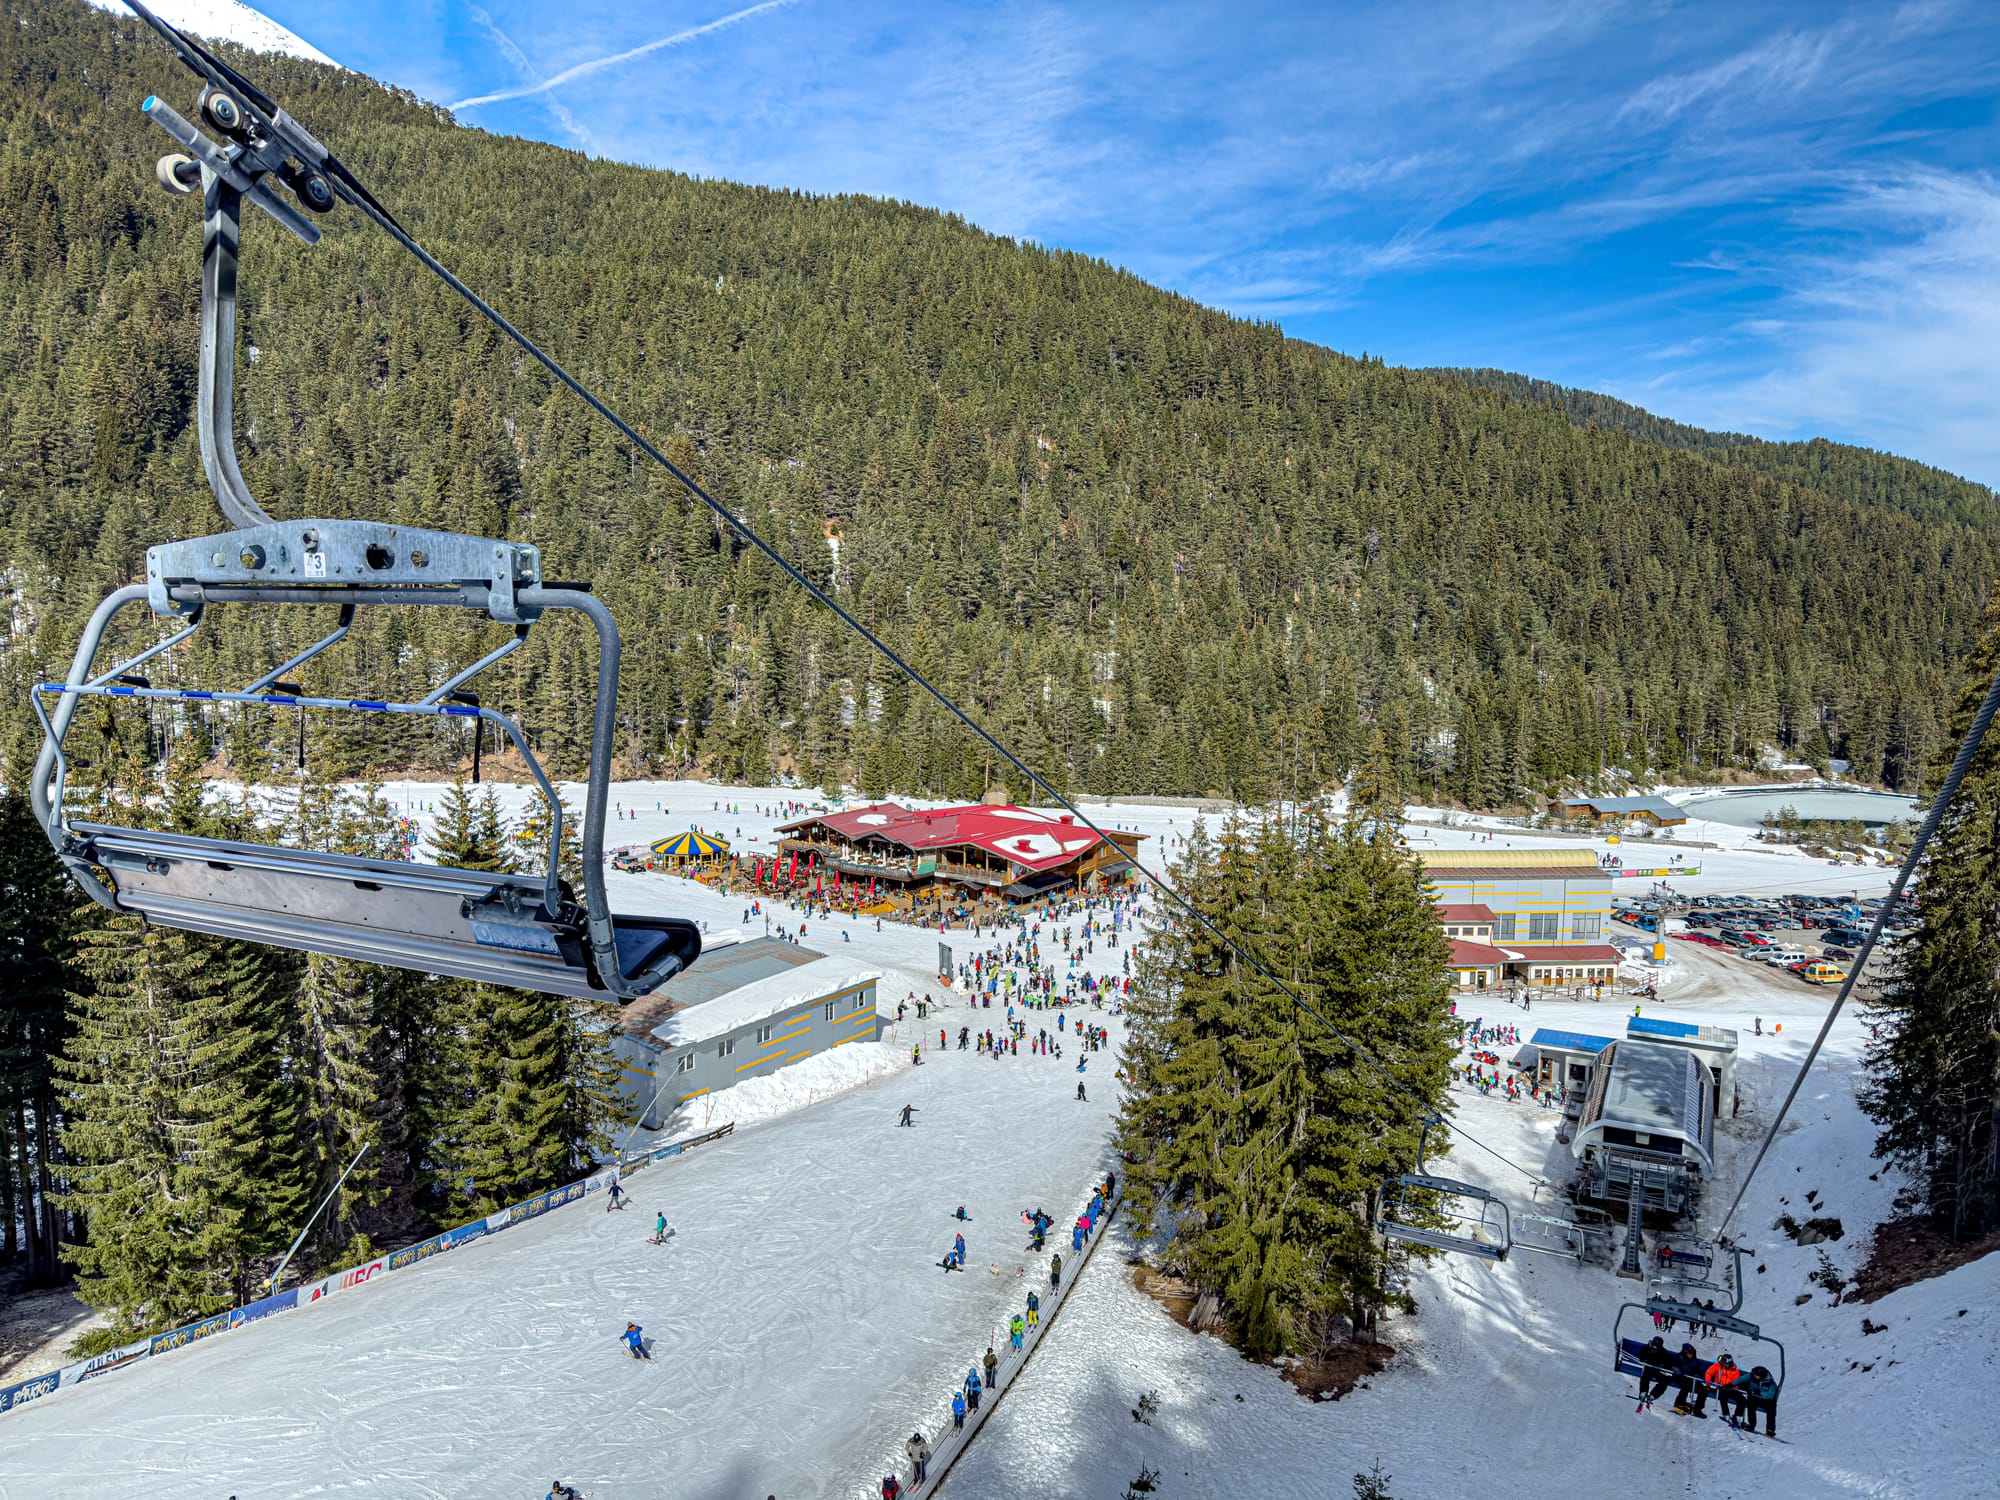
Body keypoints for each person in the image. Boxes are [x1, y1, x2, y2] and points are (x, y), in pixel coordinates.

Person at [1737, 1364, 1779, 1437]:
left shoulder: (1771, 1383)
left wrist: (1759, 1393)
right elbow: (1741, 1379)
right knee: (1750, 1404)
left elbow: (1770, 1395)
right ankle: (1751, 1425)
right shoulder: (1752, 1376)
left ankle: (1770, 1430)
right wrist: (1730, 1384)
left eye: (1756, 1375)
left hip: (1767, 1400)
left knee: (1771, 1410)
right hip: (1756, 1397)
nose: (1754, 1376)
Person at [1635, 1335, 1676, 1406]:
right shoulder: (1646, 1348)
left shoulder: (1663, 1352)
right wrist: (1644, 1360)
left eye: (1657, 1346)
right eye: (1654, 1345)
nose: (1655, 1347)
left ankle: (1653, 1395)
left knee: (1664, 1381)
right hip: (1648, 1368)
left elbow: (1666, 1362)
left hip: (1657, 1370)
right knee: (1645, 1377)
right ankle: (1643, 1392)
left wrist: (1662, 1365)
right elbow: (1641, 1356)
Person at [1671, 1342, 1707, 1416]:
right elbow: (1674, 1366)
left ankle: (1697, 1408)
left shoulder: (1695, 1361)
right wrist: (1680, 1373)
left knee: (1703, 1390)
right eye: (1689, 1353)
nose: (1691, 1355)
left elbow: (1697, 1370)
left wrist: (1696, 1376)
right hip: (1680, 1377)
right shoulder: (1678, 1357)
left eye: (1692, 1354)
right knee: (1686, 1386)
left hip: (1691, 1378)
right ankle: (1679, 1404)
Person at [1705, 1352, 1742, 1419]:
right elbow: (1709, 1373)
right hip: (1719, 1387)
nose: (1723, 1364)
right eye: (1723, 1362)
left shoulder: (1736, 1372)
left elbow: (1735, 1383)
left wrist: (1730, 1388)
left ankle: (1737, 1416)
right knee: (1722, 1395)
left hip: (1730, 1389)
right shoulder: (1718, 1366)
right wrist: (1708, 1383)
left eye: (1725, 1363)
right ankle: (1726, 1414)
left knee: (1742, 1399)